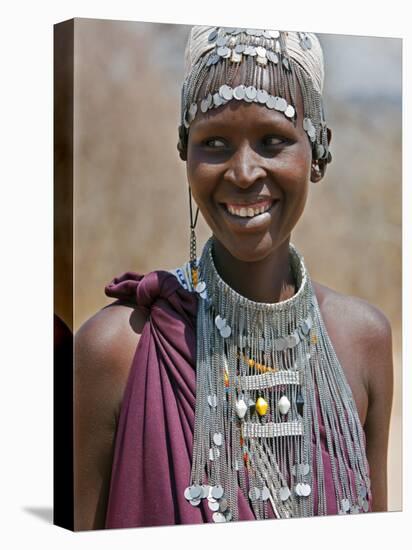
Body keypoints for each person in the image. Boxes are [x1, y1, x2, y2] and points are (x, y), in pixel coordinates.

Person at [74, 25, 393, 530]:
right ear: (185, 153)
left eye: (273, 141)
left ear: (318, 153)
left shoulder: (362, 341)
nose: (244, 172)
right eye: (215, 142)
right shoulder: (116, 350)